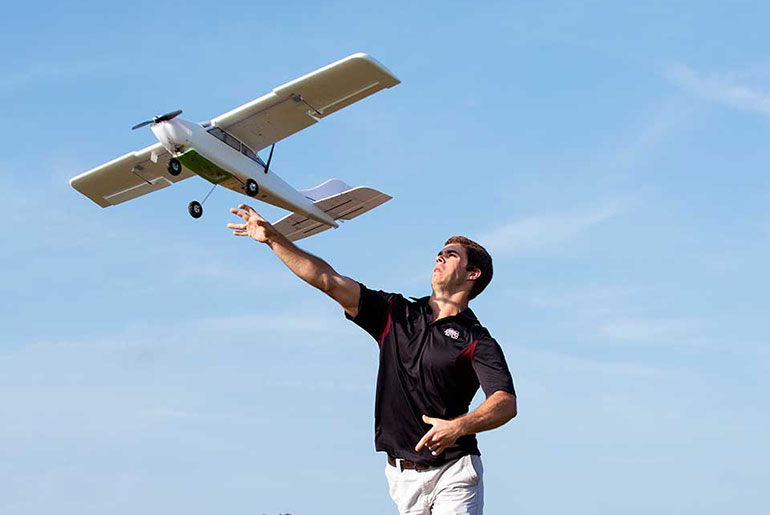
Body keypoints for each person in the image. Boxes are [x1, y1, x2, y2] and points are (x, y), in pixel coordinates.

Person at [228, 203, 517, 515]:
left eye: (451, 254)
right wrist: (273, 238)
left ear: (472, 274)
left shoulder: (477, 339)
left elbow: (504, 402)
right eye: (439, 252)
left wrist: (457, 427)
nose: (440, 257)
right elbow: (327, 280)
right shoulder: (395, 312)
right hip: (401, 477)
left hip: (454, 471)